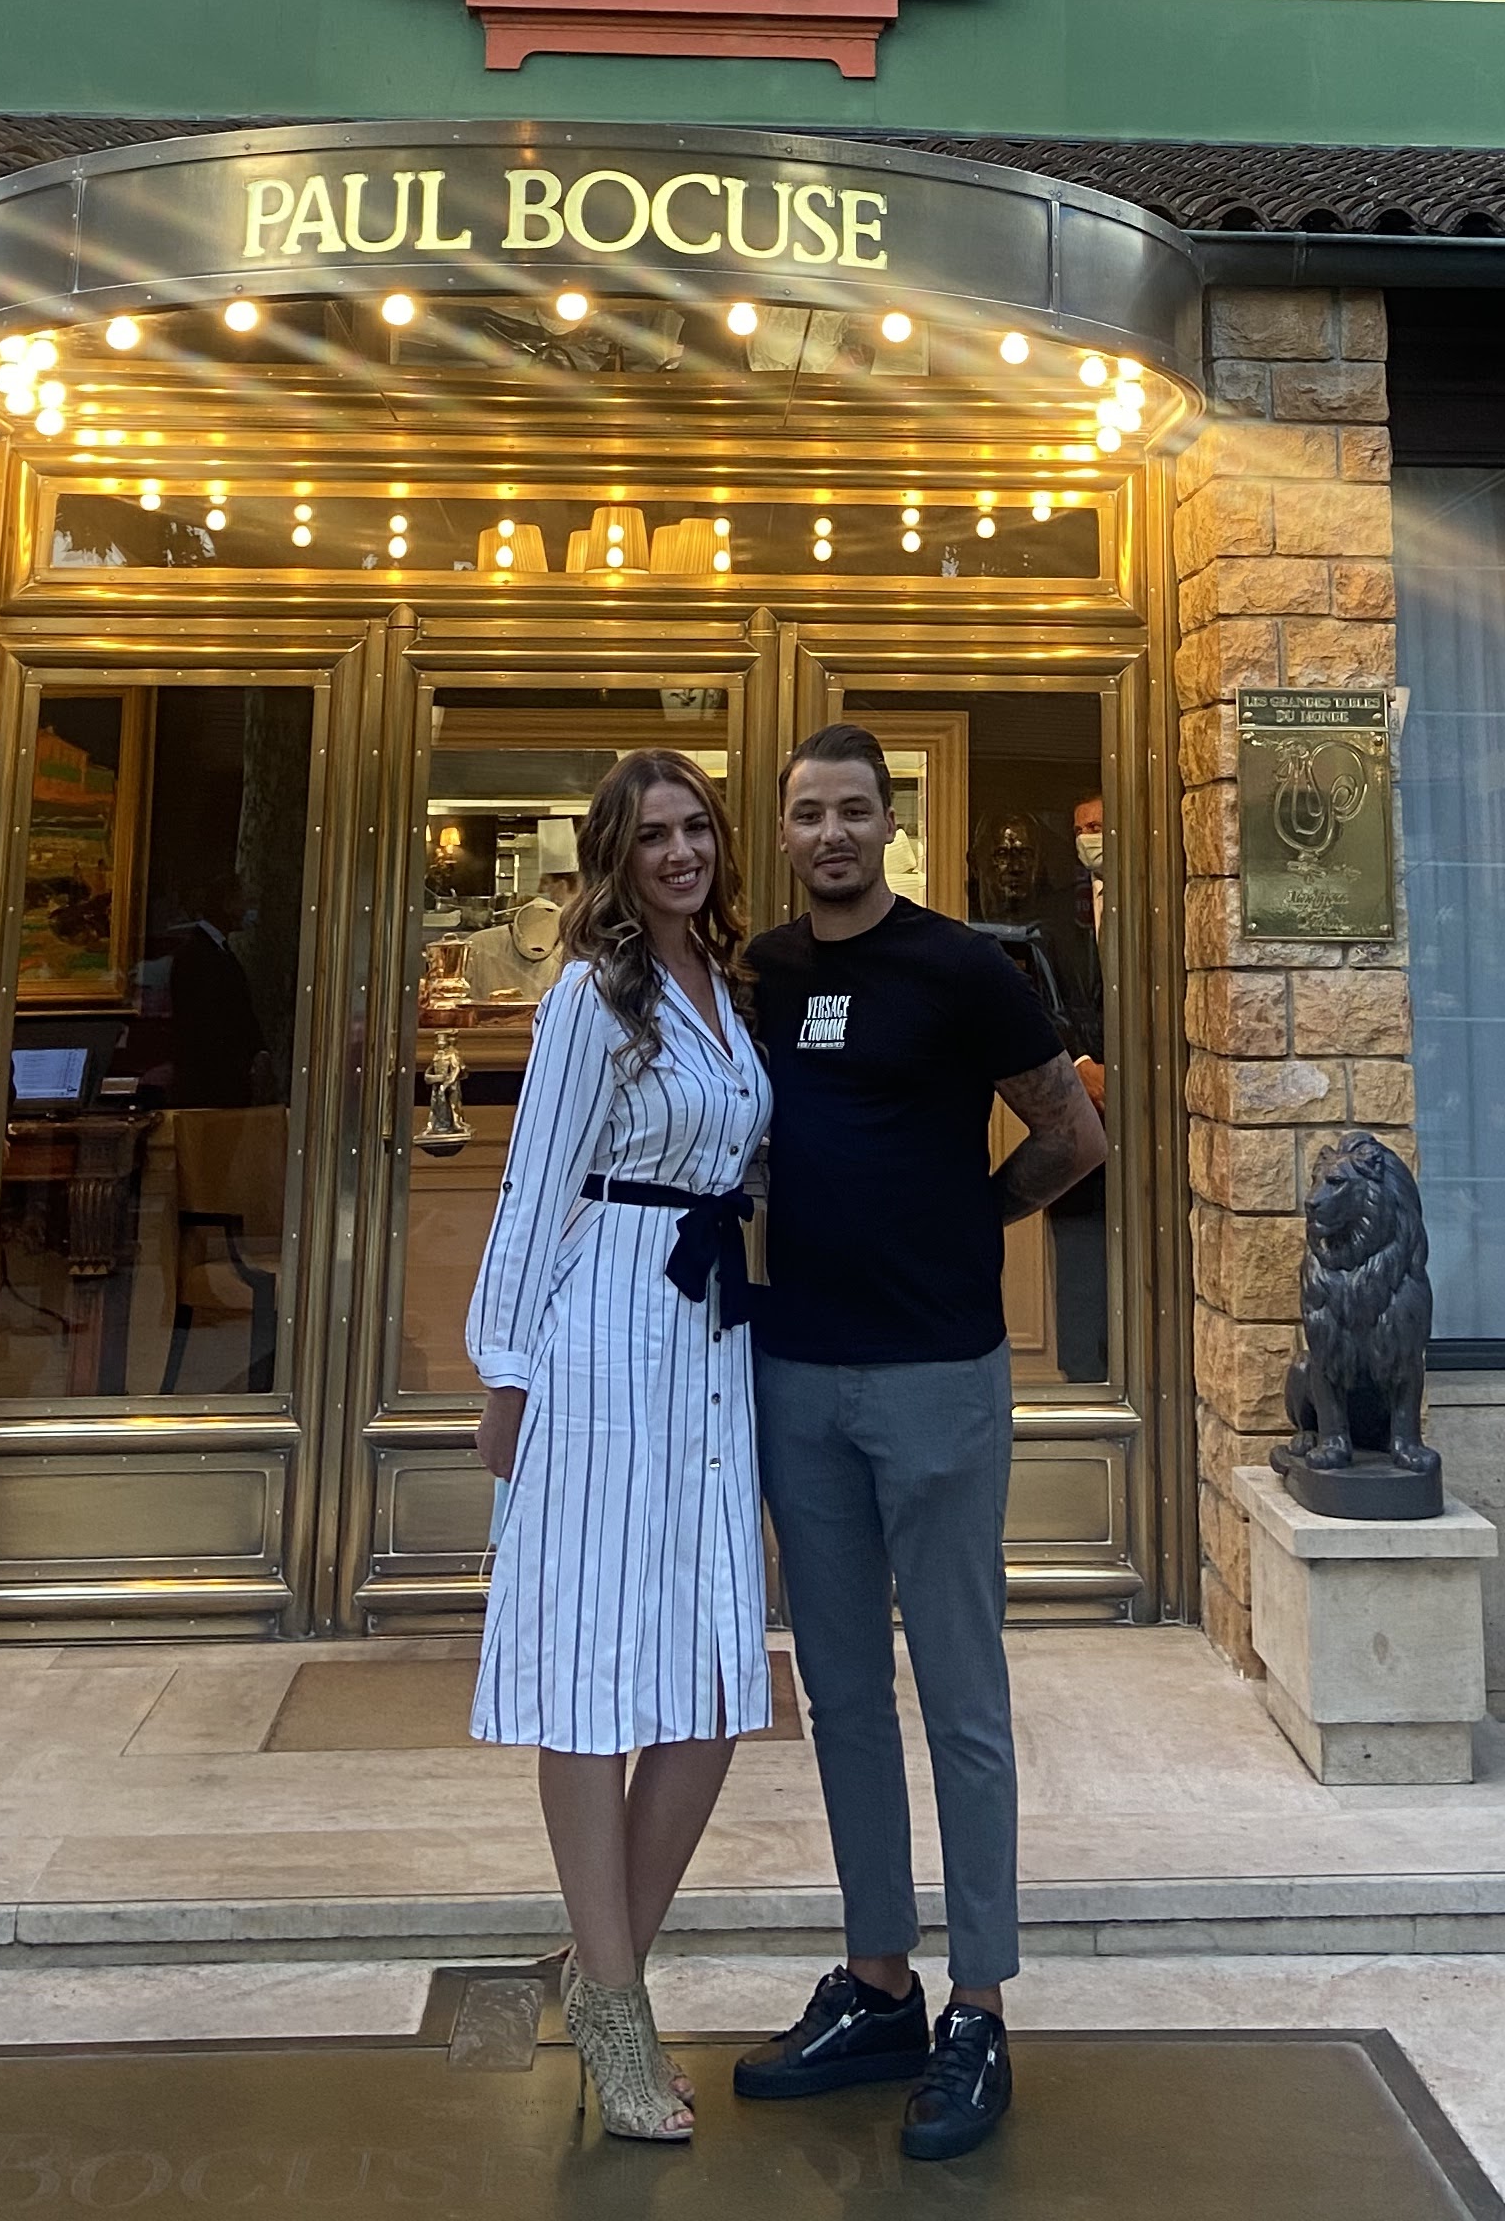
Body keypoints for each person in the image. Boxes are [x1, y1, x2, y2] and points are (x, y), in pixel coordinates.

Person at [734, 723, 1108, 2165]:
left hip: (940, 1375)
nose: (830, 834)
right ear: (783, 832)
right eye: (807, 813)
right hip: (796, 1375)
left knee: (961, 1694)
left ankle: (980, 2005)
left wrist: (975, 1216)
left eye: (853, 811)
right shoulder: (761, 973)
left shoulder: (963, 969)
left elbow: (1072, 1136)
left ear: (889, 823)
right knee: (839, 1695)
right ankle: (879, 1981)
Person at [468, 749, 771, 2143]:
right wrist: (506, 1371)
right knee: (593, 1666)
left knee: (710, 1677)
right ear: (615, 854)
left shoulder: (727, 987)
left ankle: (601, 1974)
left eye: (695, 827)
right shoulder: (592, 997)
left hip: (708, 1333)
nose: (680, 853)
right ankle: (617, 2001)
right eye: (653, 835)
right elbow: (534, 1187)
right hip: (600, 1333)